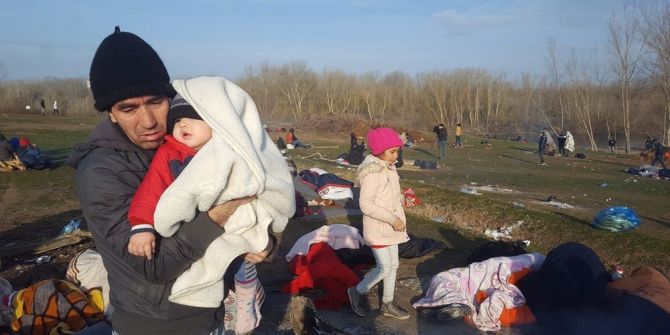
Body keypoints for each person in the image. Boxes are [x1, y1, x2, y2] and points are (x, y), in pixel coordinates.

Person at [67, 27, 273, 335]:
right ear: (110, 113)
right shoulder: (102, 173)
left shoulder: (187, 142)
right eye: (128, 108)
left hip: (208, 314)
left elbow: (254, 187)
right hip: (156, 325)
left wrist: (264, 240)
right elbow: (154, 266)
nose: (148, 121)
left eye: (155, 102)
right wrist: (220, 215)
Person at [347, 127, 410, 320]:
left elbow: (388, 197)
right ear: (379, 151)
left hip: (391, 228)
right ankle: (357, 291)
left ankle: (387, 303)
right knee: (384, 267)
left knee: (394, 264)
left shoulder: (389, 168)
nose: (396, 156)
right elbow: (366, 204)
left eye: (397, 151)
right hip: (379, 228)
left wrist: (402, 199)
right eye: (392, 152)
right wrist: (392, 219)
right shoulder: (372, 172)